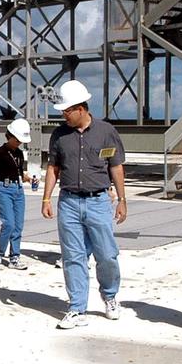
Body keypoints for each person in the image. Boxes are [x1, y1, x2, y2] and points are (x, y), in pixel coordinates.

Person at [41, 80, 127, 330]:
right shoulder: (59, 135)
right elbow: (53, 168)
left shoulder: (106, 131)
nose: (63, 115)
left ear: (81, 109)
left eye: (66, 111)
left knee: (107, 255)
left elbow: (116, 167)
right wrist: (46, 198)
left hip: (99, 202)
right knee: (72, 257)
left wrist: (122, 200)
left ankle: (110, 297)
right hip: (68, 202)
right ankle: (77, 307)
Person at [0, 118, 32, 270]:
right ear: (10, 136)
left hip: (18, 189)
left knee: (18, 225)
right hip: (4, 188)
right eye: (18, 139)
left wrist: (29, 178)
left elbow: (20, 173)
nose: (20, 143)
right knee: (9, 224)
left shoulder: (19, 153)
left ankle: (15, 256)